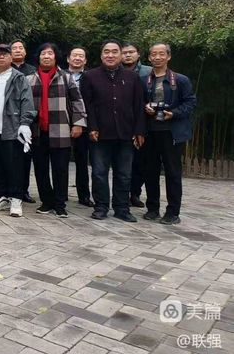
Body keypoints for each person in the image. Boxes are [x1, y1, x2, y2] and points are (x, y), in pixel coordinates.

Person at [81, 39, 146, 222]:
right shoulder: (90, 76)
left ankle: (122, 208)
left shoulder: (132, 77)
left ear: (120, 54)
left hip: (126, 133)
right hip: (100, 133)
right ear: (101, 55)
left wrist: (139, 130)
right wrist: (92, 127)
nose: (110, 55)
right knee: (99, 173)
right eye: (106, 52)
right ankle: (101, 207)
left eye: (114, 51)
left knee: (124, 174)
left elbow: (139, 105)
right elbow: (87, 105)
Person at [26, 43, 87, 218]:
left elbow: (77, 101)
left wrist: (78, 123)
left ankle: (60, 204)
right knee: (40, 169)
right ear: (38, 57)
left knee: (60, 169)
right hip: (37, 131)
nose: (46, 57)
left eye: (50, 53)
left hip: (61, 130)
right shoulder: (29, 79)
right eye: (43, 54)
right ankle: (46, 201)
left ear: (55, 57)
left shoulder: (66, 77)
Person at [142, 44, 197, 225]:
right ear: (149, 58)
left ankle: (173, 212)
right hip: (150, 131)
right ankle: (152, 208)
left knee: (173, 172)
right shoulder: (143, 80)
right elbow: (138, 102)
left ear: (168, 56)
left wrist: (173, 113)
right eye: (154, 54)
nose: (157, 57)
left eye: (161, 54)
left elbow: (190, 103)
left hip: (172, 132)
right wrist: (145, 107)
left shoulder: (180, 80)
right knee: (150, 171)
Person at [0, 45, 37, 217]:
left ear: (11, 58)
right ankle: (2, 196)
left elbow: (27, 101)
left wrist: (25, 122)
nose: (1, 57)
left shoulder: (18, 78)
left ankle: (16, 199)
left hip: (12, 129)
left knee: (14, 166)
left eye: (5, 54)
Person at [122, 42, 152, 208]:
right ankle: (122, 194)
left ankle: (135, 193)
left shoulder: (149, 72)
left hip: (144, 121)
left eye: (131, 52)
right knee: (123, 162)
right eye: (124, 52)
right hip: (122, 122)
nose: (127, 55)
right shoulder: (114, 71)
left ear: (138, 54)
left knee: (141, 162)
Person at [10, 39, 37, 203]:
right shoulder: (5, 70)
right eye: (14, 48)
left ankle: (23, 190)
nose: (18, 50)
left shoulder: (33, 71)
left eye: (21, 48)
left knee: (25, 157)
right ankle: (8, 190)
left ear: (25, 52)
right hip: (9, 120)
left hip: (27, 120)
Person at [67, 46, 93, 206]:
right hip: (62, 122)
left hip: (84, 123)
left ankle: (84, 195)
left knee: (82, 161)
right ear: (68, 59)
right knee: (61, 160)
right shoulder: (60, 75)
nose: (77, 58)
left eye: (81, 56)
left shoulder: (90, 77)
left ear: (85, 60)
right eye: (74, 55)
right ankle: (61, 194)